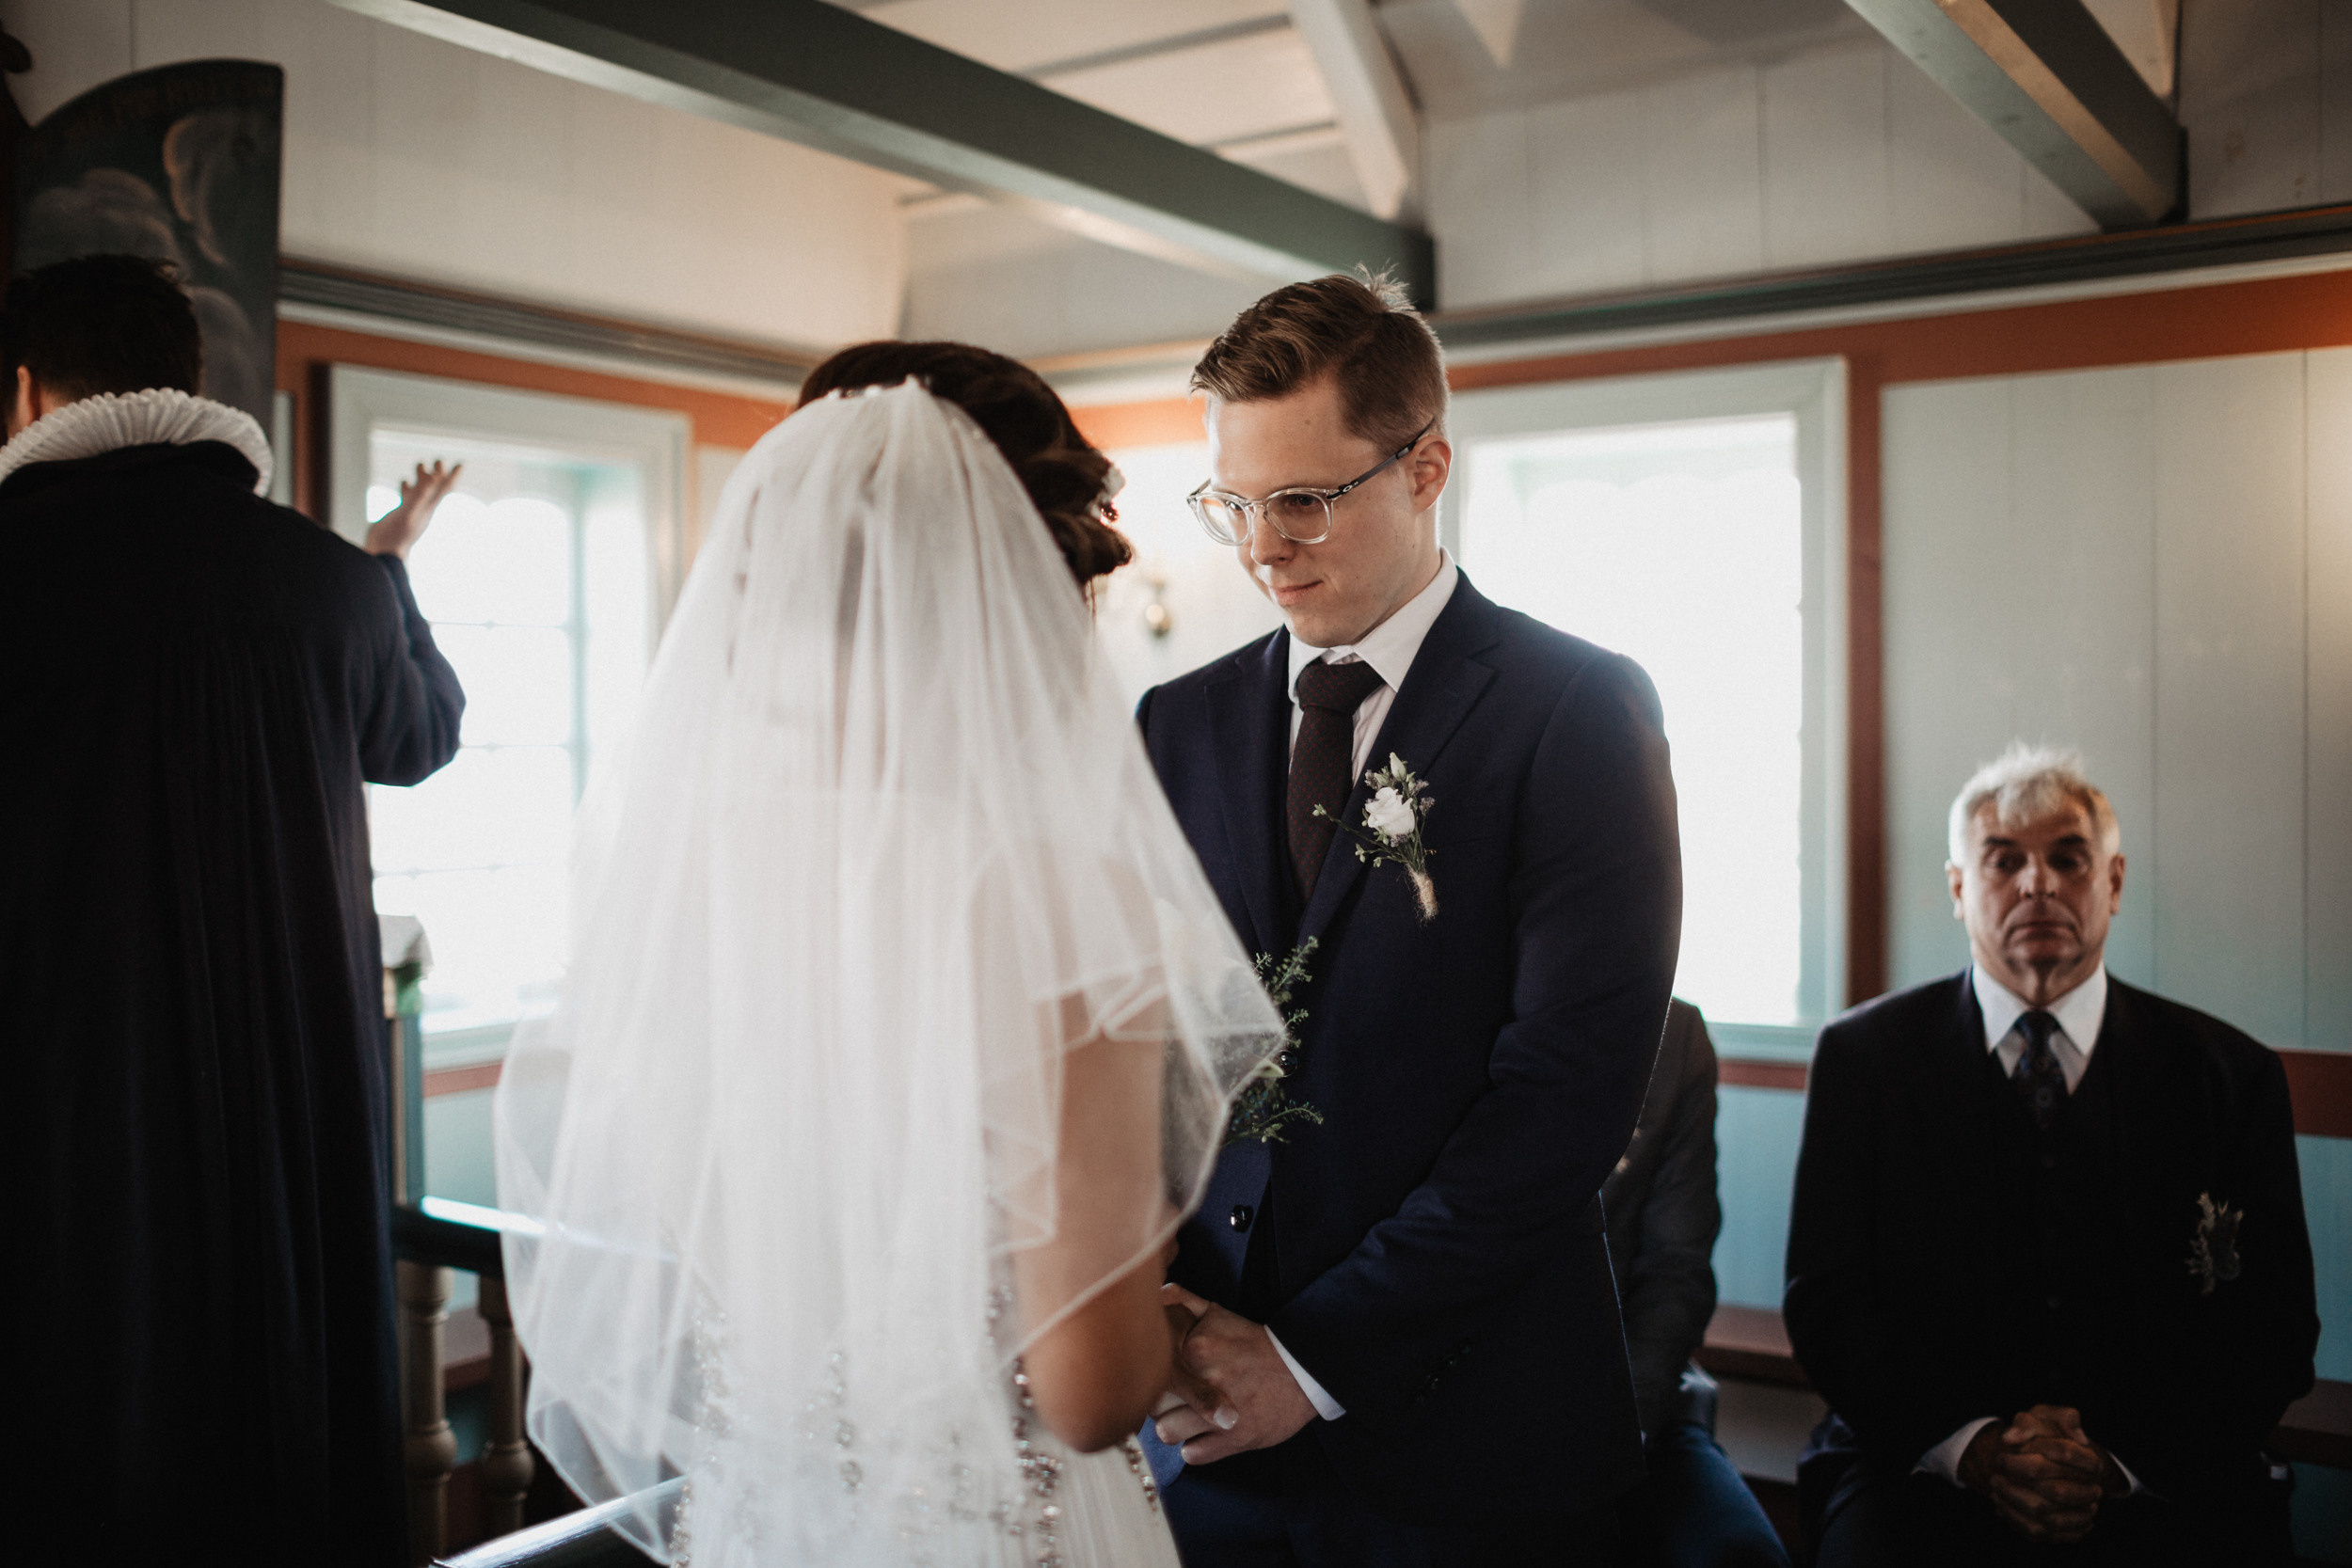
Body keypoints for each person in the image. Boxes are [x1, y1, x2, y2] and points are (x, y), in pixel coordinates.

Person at [492, 344, 1286, 1567]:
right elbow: (1087, 1392)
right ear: (1029, 584)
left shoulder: (710, 867)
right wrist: (1147, 1304)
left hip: (774, 1513)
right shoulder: (1057, 899)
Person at [1135, 272, 1683, 1564]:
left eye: (1307, 499)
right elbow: (1148, 1039)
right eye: (1236, 503)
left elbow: (1566, 1095)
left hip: (1473, 1434)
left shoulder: (1577, 709)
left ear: (1428, 466)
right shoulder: (1179, 721)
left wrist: (1312, 1356)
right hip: (1203, 1424)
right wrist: (1149, 1309)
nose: (1266, 545)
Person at [0, 253, 465, 1564]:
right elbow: (420, 735)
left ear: (28, 387)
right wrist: (387, 569)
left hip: (68, 1095)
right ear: (193, 382)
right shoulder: (322, 579)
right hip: (293, 1101)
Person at [1785, 743, 2318, 1567]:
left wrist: (2113, 1464)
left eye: (2068, 857)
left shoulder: (2230, 1074)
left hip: (2168, 1470)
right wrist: (1982, 1448)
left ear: (2112, 882)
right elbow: (1827, 1300)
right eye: (2004, 860)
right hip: (1919, 1461)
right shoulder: (1864, 1060)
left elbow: (2274, 1322)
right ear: (1961, 890)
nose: (2037, 882)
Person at [1605, 1000, 1791, 1568]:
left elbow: (1675, 1266)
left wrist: (1622, 1432)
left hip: (1624, 1401)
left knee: (1740, 1556)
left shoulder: (1673, 1032)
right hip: (1448, 1410)